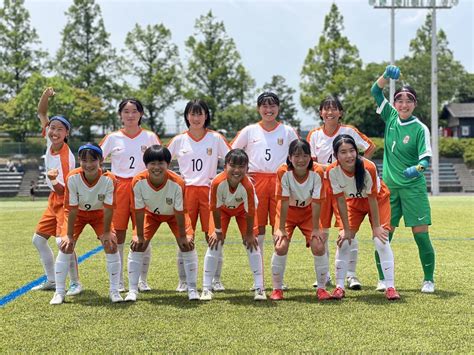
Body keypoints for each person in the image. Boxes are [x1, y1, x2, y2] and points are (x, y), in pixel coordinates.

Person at [371, 65, 435, 293]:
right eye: (400, 100)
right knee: (383, 236)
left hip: (413, 189)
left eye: (409, 101)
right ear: (395, 104)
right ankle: (382, 279)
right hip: (389, 190)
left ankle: (428, 279)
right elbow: (375, 92)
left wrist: (416, 169)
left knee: (421, 235)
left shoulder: (420, 129)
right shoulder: (390, 117)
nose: (404, 104)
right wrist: (386, 77)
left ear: (415, 104)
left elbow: (425, 160)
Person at [307, 95, 376, 290]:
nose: (330, 112)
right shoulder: (314, 135)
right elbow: (310, 162)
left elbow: (370, 147)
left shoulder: (349, 131)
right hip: (322, 186)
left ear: (340, 113)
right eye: (326, 109)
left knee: (348, 231)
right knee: (322, 231)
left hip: (346, 187)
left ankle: (351, 275)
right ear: (320, 113)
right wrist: (330, 168)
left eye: (334, 108)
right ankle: (324, 274)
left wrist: (356, 165)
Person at [231, 92, 299, 289]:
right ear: (258, 108)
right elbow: (233, 152)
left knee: (280, 230)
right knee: (256, 231)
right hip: (256, 182)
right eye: (264, 106)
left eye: (273, 106)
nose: (269, 110)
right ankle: (257, 280)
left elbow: (299, 153)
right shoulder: (249, 131)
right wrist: (242, 174)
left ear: (278, 108)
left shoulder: (287, 131)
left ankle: (279, 280)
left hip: (281, 181)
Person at [327, 134, 400, 301]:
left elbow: (373, 199)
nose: (349, 155)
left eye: (352, 151)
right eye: (343, 152)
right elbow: (340, 201)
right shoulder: (332, 171)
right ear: (336, 155)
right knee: (344, 240)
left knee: (380, 240)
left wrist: (376, 227)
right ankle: (339, 287)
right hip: (352, 202)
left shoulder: (368, 167)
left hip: (377, 201)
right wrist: (345, 229)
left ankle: (390, 287)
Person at [167, 99, 230, 293]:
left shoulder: (216, 138)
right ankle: (184, 280)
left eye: (200, 114)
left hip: (209, 192)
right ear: (187, 116)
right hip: (186, 193)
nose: (196, 118)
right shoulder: (179, 140)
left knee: (213, 236)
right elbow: (163, 161)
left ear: (206, 116)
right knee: (184, 236)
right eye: (192, 114)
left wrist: (218, 180)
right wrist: (176, 181)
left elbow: (231, 159)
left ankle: (215, 279)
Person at [100, 99, 161, 293]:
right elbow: (95, 159)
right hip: (119, 188)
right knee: (118, 235)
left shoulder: (150, 137)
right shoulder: (112, 138)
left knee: (142, 235)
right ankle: (118, 281)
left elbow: (160, 162)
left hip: (143, 187)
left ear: (141, 114)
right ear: (120, 115)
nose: (130, 115)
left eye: (134, 111)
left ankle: (142, 280)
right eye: (126, 111)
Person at [50, 144, 122, 304]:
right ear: (79, 161)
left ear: (101, 161)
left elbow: (109, 209)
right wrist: (68, 236)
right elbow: (72, 209)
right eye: (84, 160)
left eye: (93, 160)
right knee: (65, 246)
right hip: (78, 214)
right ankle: (59, 292)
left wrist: (107, 232)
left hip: (99, 214)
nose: (88, 164)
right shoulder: (73, 177)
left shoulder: (110, 179)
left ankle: (114, 291)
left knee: (111, 244)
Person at [125, 145, 198, 302]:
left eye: (161, 163)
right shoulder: (138, 181)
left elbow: (179, 212)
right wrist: (138, 236)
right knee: (138, 245)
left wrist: (184, 237)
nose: (156, 167)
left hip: (174, 215)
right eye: (152, 163)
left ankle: (192, 288)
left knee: (187, 245)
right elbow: (138, 210)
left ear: (168, 164)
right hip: (151, 214)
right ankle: (133, 289)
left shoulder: (178, 182)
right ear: (146, 165)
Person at [31, 87, 81, 296]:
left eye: (60, 129)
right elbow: (42, 112)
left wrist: (53, 180)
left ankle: (76, 283)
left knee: (63, 242)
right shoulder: (49, 140)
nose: (54, 131)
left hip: (65, 199)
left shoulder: (65, 157)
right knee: (38, 240)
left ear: (66, 133)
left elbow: (66, 189)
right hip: (54, 198)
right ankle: (51, 280)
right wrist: (45, 96)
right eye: (52, 127)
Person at [200, 149, 266, 301]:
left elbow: (250, 212)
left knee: (252, 244)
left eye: (241, 166)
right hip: (222, 211)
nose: (237, 170)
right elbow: (215, 208)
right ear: (225, 166)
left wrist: (249, 234)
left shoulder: (248, 186)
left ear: (247, 169)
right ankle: (206, 288)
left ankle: (259, 288)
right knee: (214, 243)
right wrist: (217, 231)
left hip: (243, 212)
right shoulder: (217, 182)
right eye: (233, 165)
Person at [270, 139, 330, 301]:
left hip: (309, 213)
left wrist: (316, 228)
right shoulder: (283, 172)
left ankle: (322, 289)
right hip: (287, 213)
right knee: (281, 246)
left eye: (305, 155)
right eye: (296, 156)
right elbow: (282, 201)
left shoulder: (317, 172)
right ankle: (277, 289)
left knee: (318, 245)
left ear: (311, 157)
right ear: (289, 157)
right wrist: (281, 228)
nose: (301, 160)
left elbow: (317, 202)